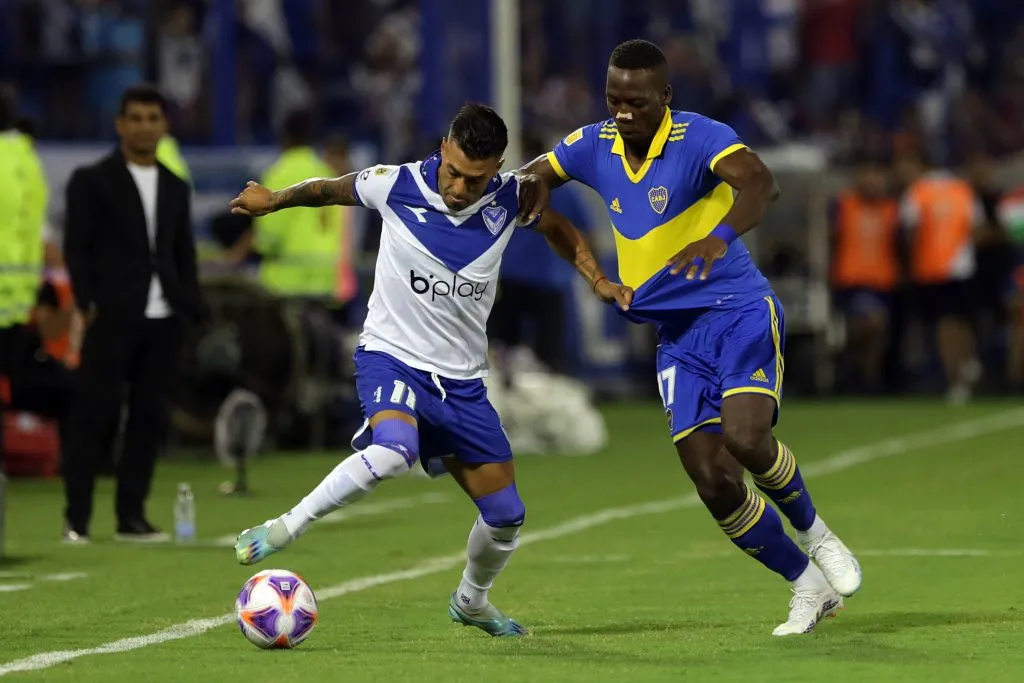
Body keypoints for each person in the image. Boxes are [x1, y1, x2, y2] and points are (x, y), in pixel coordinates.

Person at [228, 103, 631, 637]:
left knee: (507, 515)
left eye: (475, 179)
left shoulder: (511, 197)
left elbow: (559, 229)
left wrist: (597, 279)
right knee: (394, 451)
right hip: (391, 356)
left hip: (462, 382)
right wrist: (273, 200)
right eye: (455, 172)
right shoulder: (393, 185)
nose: (460, 188)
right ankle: (286, 526)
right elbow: (327, 189)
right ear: (444, 148)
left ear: (498, 167)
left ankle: (471, 601)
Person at [519, 39, 861, 636]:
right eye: (613, 99)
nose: (622, 113)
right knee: (712, 479)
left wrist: (718, 237)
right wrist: (579, 256)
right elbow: (535, 180)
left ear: (665, 98)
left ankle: (817, 534)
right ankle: (808, 588)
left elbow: (760, 184)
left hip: (738, 311)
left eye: (636, 101)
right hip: (678, 336)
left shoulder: (700, 136)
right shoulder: (592, 145)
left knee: (747, 438)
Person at [62, 85, 201, 543]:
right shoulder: (91, 180)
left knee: (148, 419)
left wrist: (188, 307)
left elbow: (183, 254)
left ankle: (131, 517)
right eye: (135, 118)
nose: (144, 126)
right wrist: (87, 304)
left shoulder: (175, 186)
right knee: (94, 416)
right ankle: (77, 520)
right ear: (120, 124)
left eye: (152, 118)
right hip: (112, 317)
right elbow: (76, 248)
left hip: (163, 320)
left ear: (164, 125)